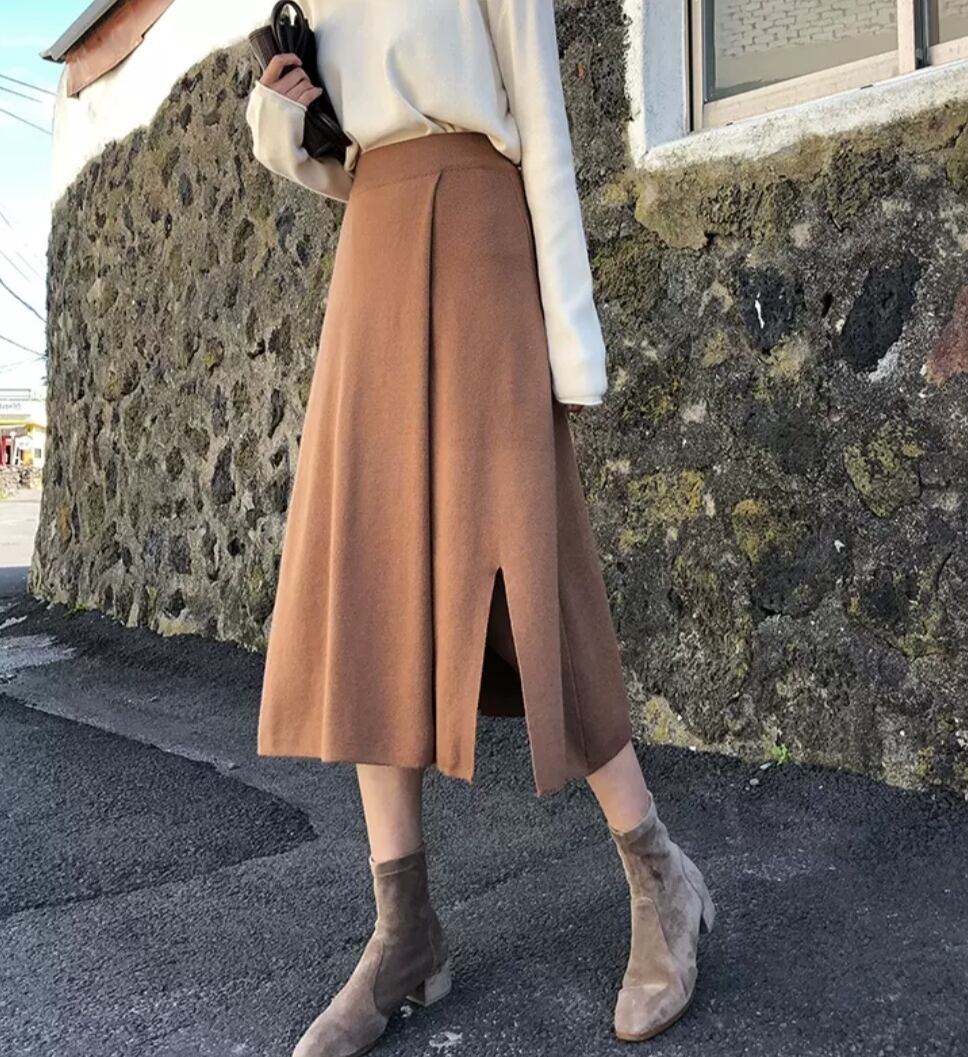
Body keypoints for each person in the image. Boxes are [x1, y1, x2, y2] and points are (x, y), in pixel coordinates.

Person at [244, 2, 715, 1053]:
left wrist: (572, 340)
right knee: (371, 574)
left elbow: (541, 125)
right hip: (374, 242)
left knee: (529, 563)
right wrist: (282, 117)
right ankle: (405, 930)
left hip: (482, 234)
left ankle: (660, 874)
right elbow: (333, 162)